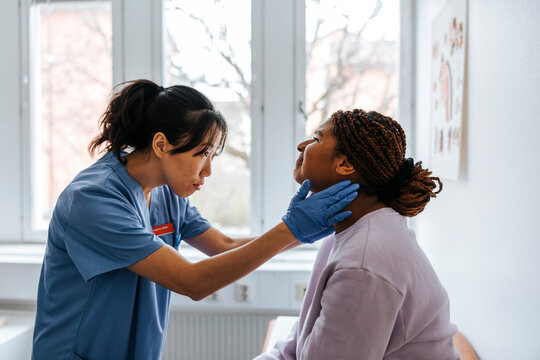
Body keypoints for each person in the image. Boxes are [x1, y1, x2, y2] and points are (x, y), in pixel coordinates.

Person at [31, 79, 359, 360]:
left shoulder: (167, 194)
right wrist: (292, 228)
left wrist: (303, 232)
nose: (209, 170)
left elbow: (224, 246)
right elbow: (192, 282)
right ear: (161, 144)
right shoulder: (92, 200)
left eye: (212, 156)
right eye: (201, 154)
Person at [256, 109, 459, 360]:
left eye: (316, 139)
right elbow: (302, 339)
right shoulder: (349, 232)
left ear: (345, 164)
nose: (302, 146)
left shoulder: (363, 262)